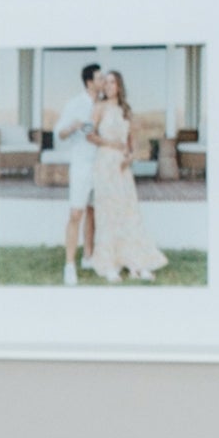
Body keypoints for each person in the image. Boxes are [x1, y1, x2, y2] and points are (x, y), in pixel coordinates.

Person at [60, 64, 161, 283]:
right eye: (104, 81)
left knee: (128, 213)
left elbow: (132, 143)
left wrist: (129, 156)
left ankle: (136, 261)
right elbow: (89, 133)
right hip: (104, 163)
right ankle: (107, 263)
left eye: (111, 81)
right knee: (106, 213)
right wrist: (109, 143)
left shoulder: (127, 110)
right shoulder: (98, 107)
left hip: (122, 169)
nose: (107, 85)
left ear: (119, 86)